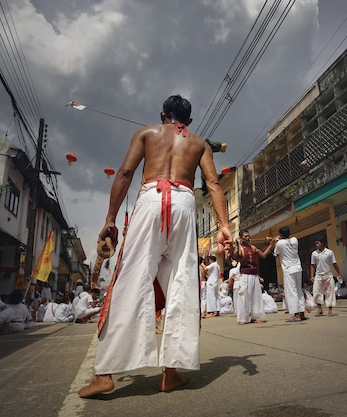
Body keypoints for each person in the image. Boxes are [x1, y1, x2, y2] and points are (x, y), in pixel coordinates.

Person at [79, 95, 232, 398]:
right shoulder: (199, 144)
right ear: (188, 122)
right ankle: (171, 373)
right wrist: (224, 225)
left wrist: (111, 219)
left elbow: (125, 172)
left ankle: (105, 373)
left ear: (163, 114)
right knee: (182, 286)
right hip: (185, 204)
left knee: (131, 280)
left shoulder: (146, 133)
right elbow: (213, 182)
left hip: (151, 198)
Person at [229, 230, 274, 325]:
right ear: (241, 238)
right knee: (243, 297)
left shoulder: (253, 248)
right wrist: (233, 247)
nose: (248, 238)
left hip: (254, 275)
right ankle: (242, 319)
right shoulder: (240, 248)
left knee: (256, 296)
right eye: (246, 236)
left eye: (249, 236)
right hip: (244, 276)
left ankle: (255, 317)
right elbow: (236, 257)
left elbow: (264, 255)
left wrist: (271, 244)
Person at [273, 226, 305, 323]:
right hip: (298, 268)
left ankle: (296, 315)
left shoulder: (280, 243)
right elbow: (288, 242)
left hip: (289, 270)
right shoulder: (294, 240)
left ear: (281, 234)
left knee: (292, 292)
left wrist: (275, 242)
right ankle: (302, 313)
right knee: (299, 291)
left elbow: (275, 253)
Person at [310, 237, 342, 316]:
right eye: (316, 243)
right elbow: (312, 265)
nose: (316, 245)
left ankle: (330, 309)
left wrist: (339, 274)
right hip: (318, 275)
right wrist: (312, 276)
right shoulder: (314, 253)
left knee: (329, 292)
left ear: (322, 243)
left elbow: (334, 263)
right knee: (317, 292)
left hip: (328, 275)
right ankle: (320, 309)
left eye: (318, 243)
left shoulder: (329, 252)